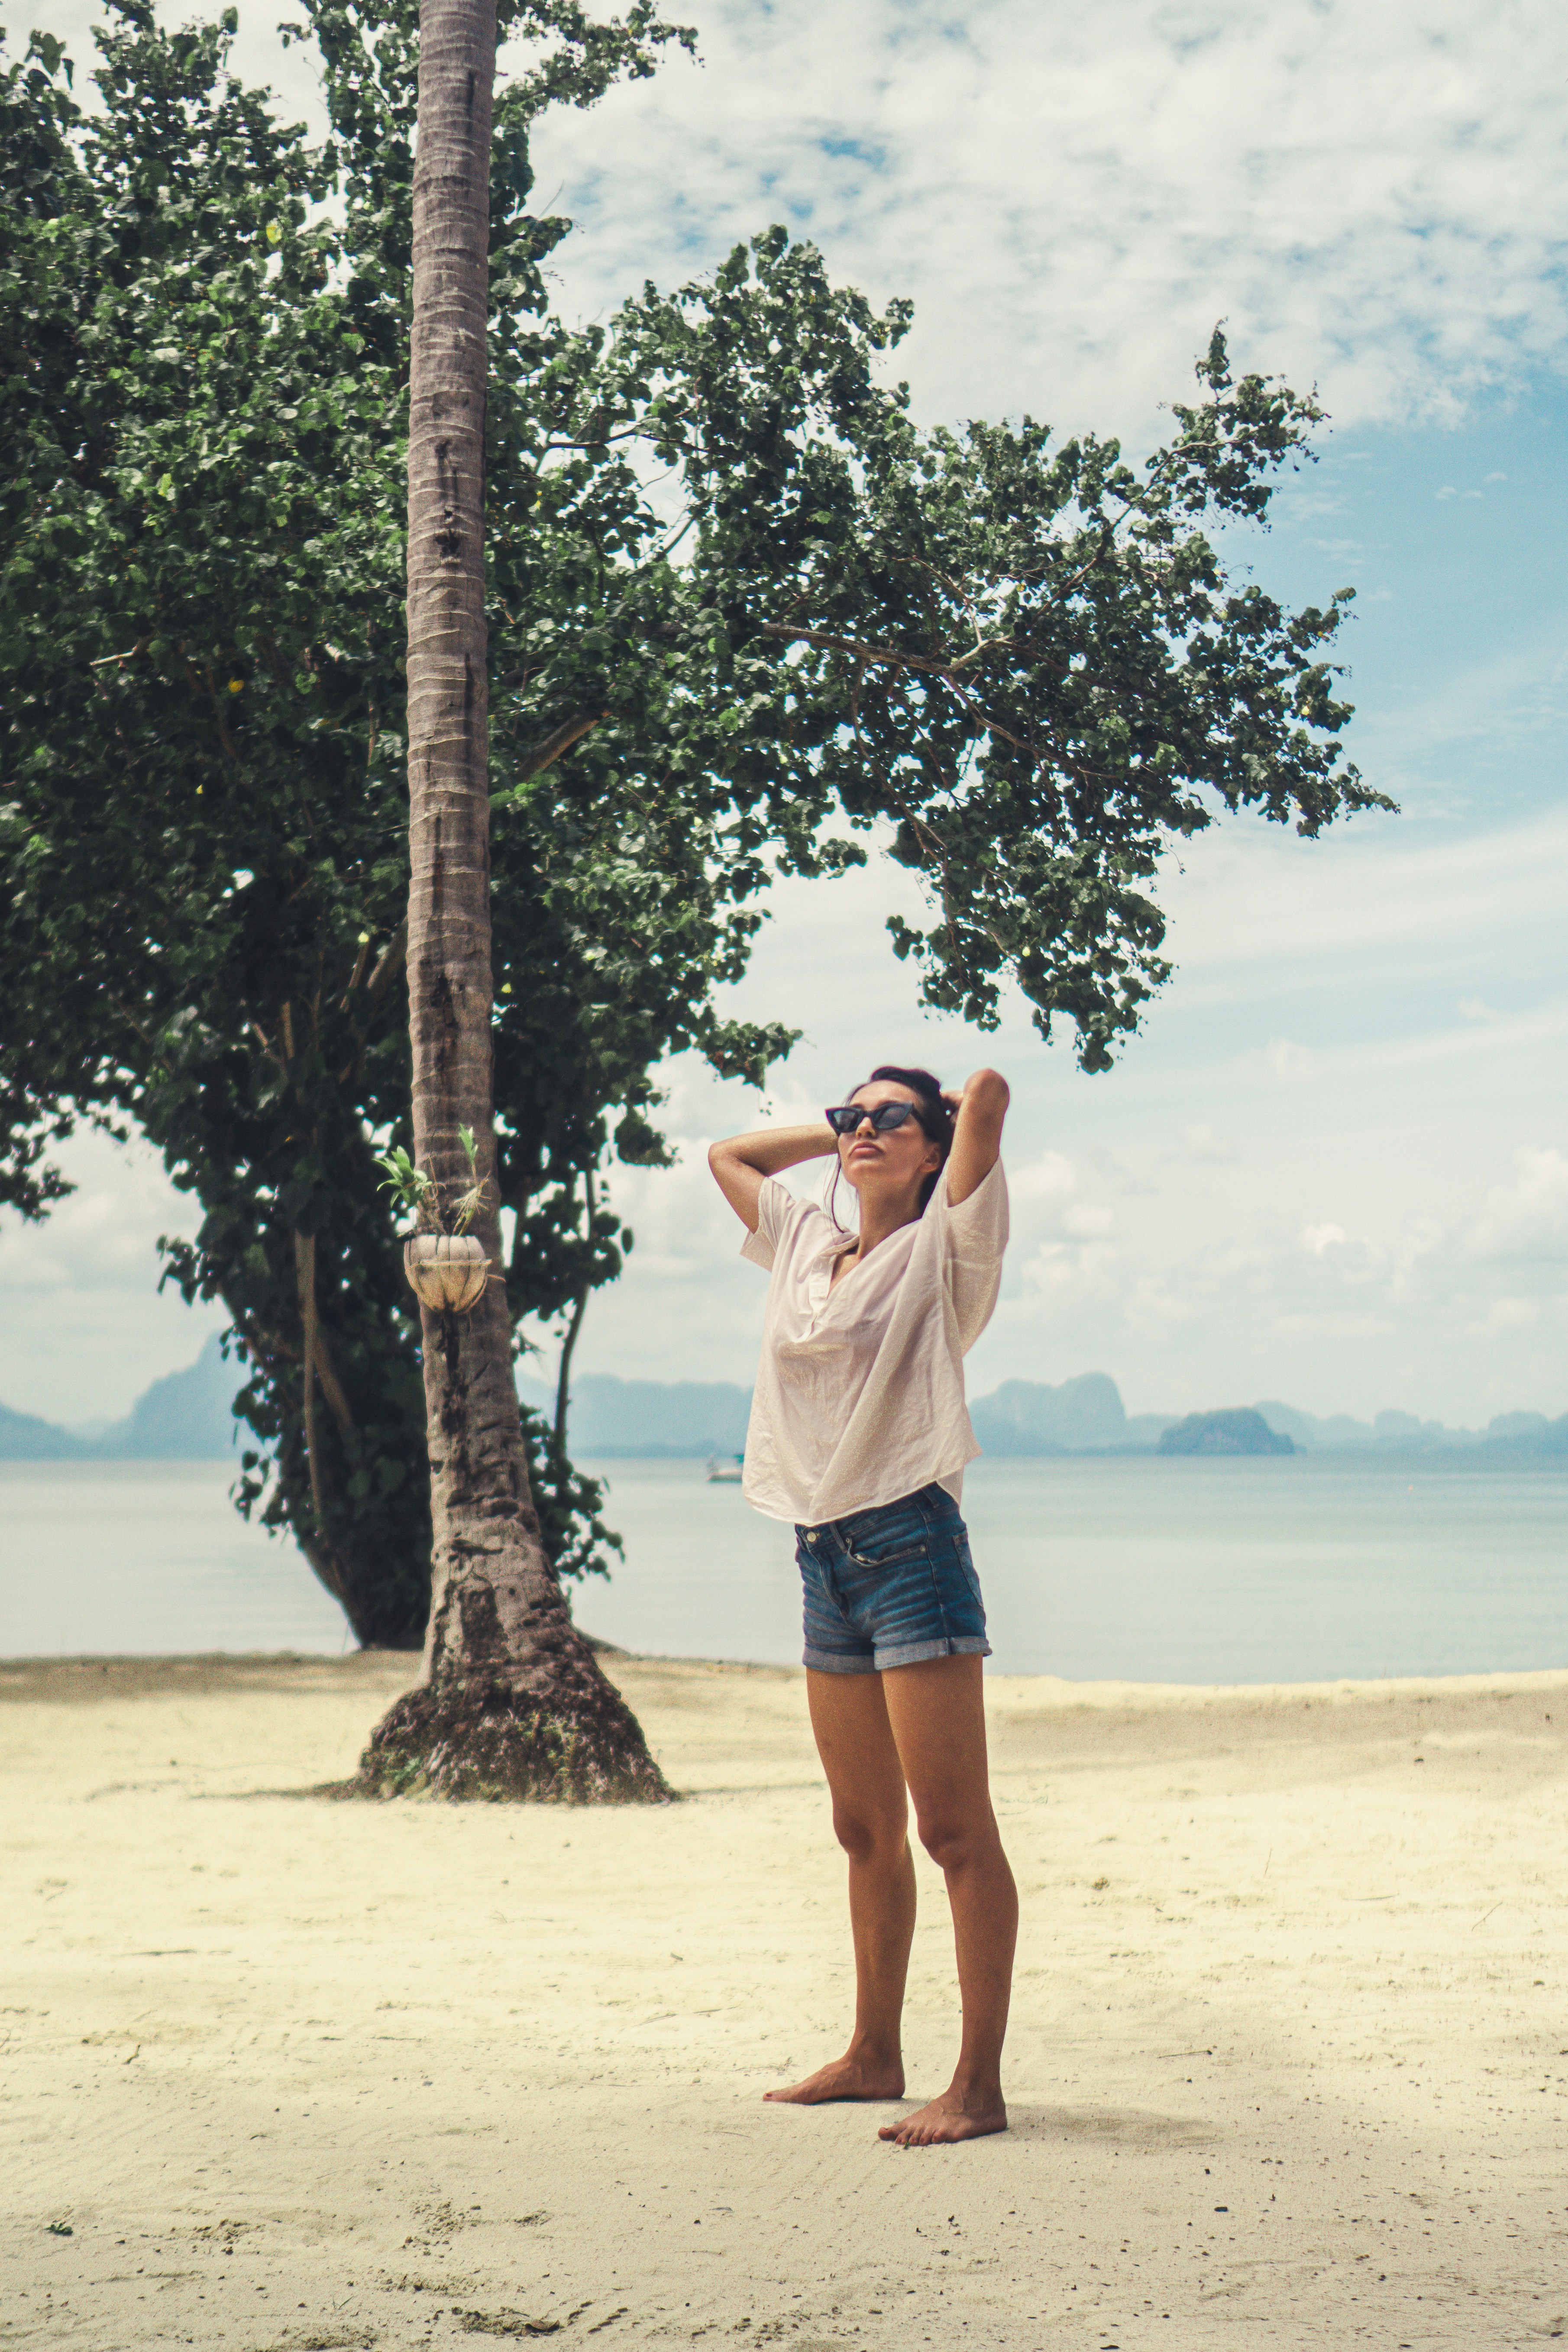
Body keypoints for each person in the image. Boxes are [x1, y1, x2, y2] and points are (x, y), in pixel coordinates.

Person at [708, 1064, 1017, 2148]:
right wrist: (837, 1129)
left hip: (911, 1548)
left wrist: (930, 1124)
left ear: (931, 1150)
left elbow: (985, 1091)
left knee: (950, 1829)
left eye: (890, 1119)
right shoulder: (801, 1243)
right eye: (852, 1115)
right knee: (861, 1827)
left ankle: (975, 2086)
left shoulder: (947, 1253)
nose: (862, 1130)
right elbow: (728, 1157)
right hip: (822, 1558)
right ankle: (874, 2053)